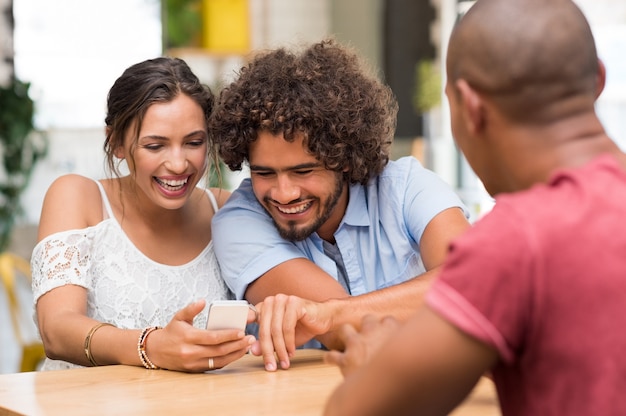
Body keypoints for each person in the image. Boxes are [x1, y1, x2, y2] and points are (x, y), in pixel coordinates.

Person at [323, 0, 626, 415]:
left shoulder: (516, 241)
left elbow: (354, 410)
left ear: (470, 106)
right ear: (599, 80)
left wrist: (372, 365)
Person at [209, 39, 471, 371]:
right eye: (264, 173)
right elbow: (345, 333)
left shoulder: (407, 187)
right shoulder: (239, 221)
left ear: (343, 158)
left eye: (303, 171)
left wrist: (330, 313)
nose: (284, 193)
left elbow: (476, 285)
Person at [30, 57, 255, 373]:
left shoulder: (228, 210)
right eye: (155, 146)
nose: (178, 164)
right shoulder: (78, 197)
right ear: (117, 142)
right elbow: (56, 331)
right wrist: (152, 347)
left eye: (193, 142)